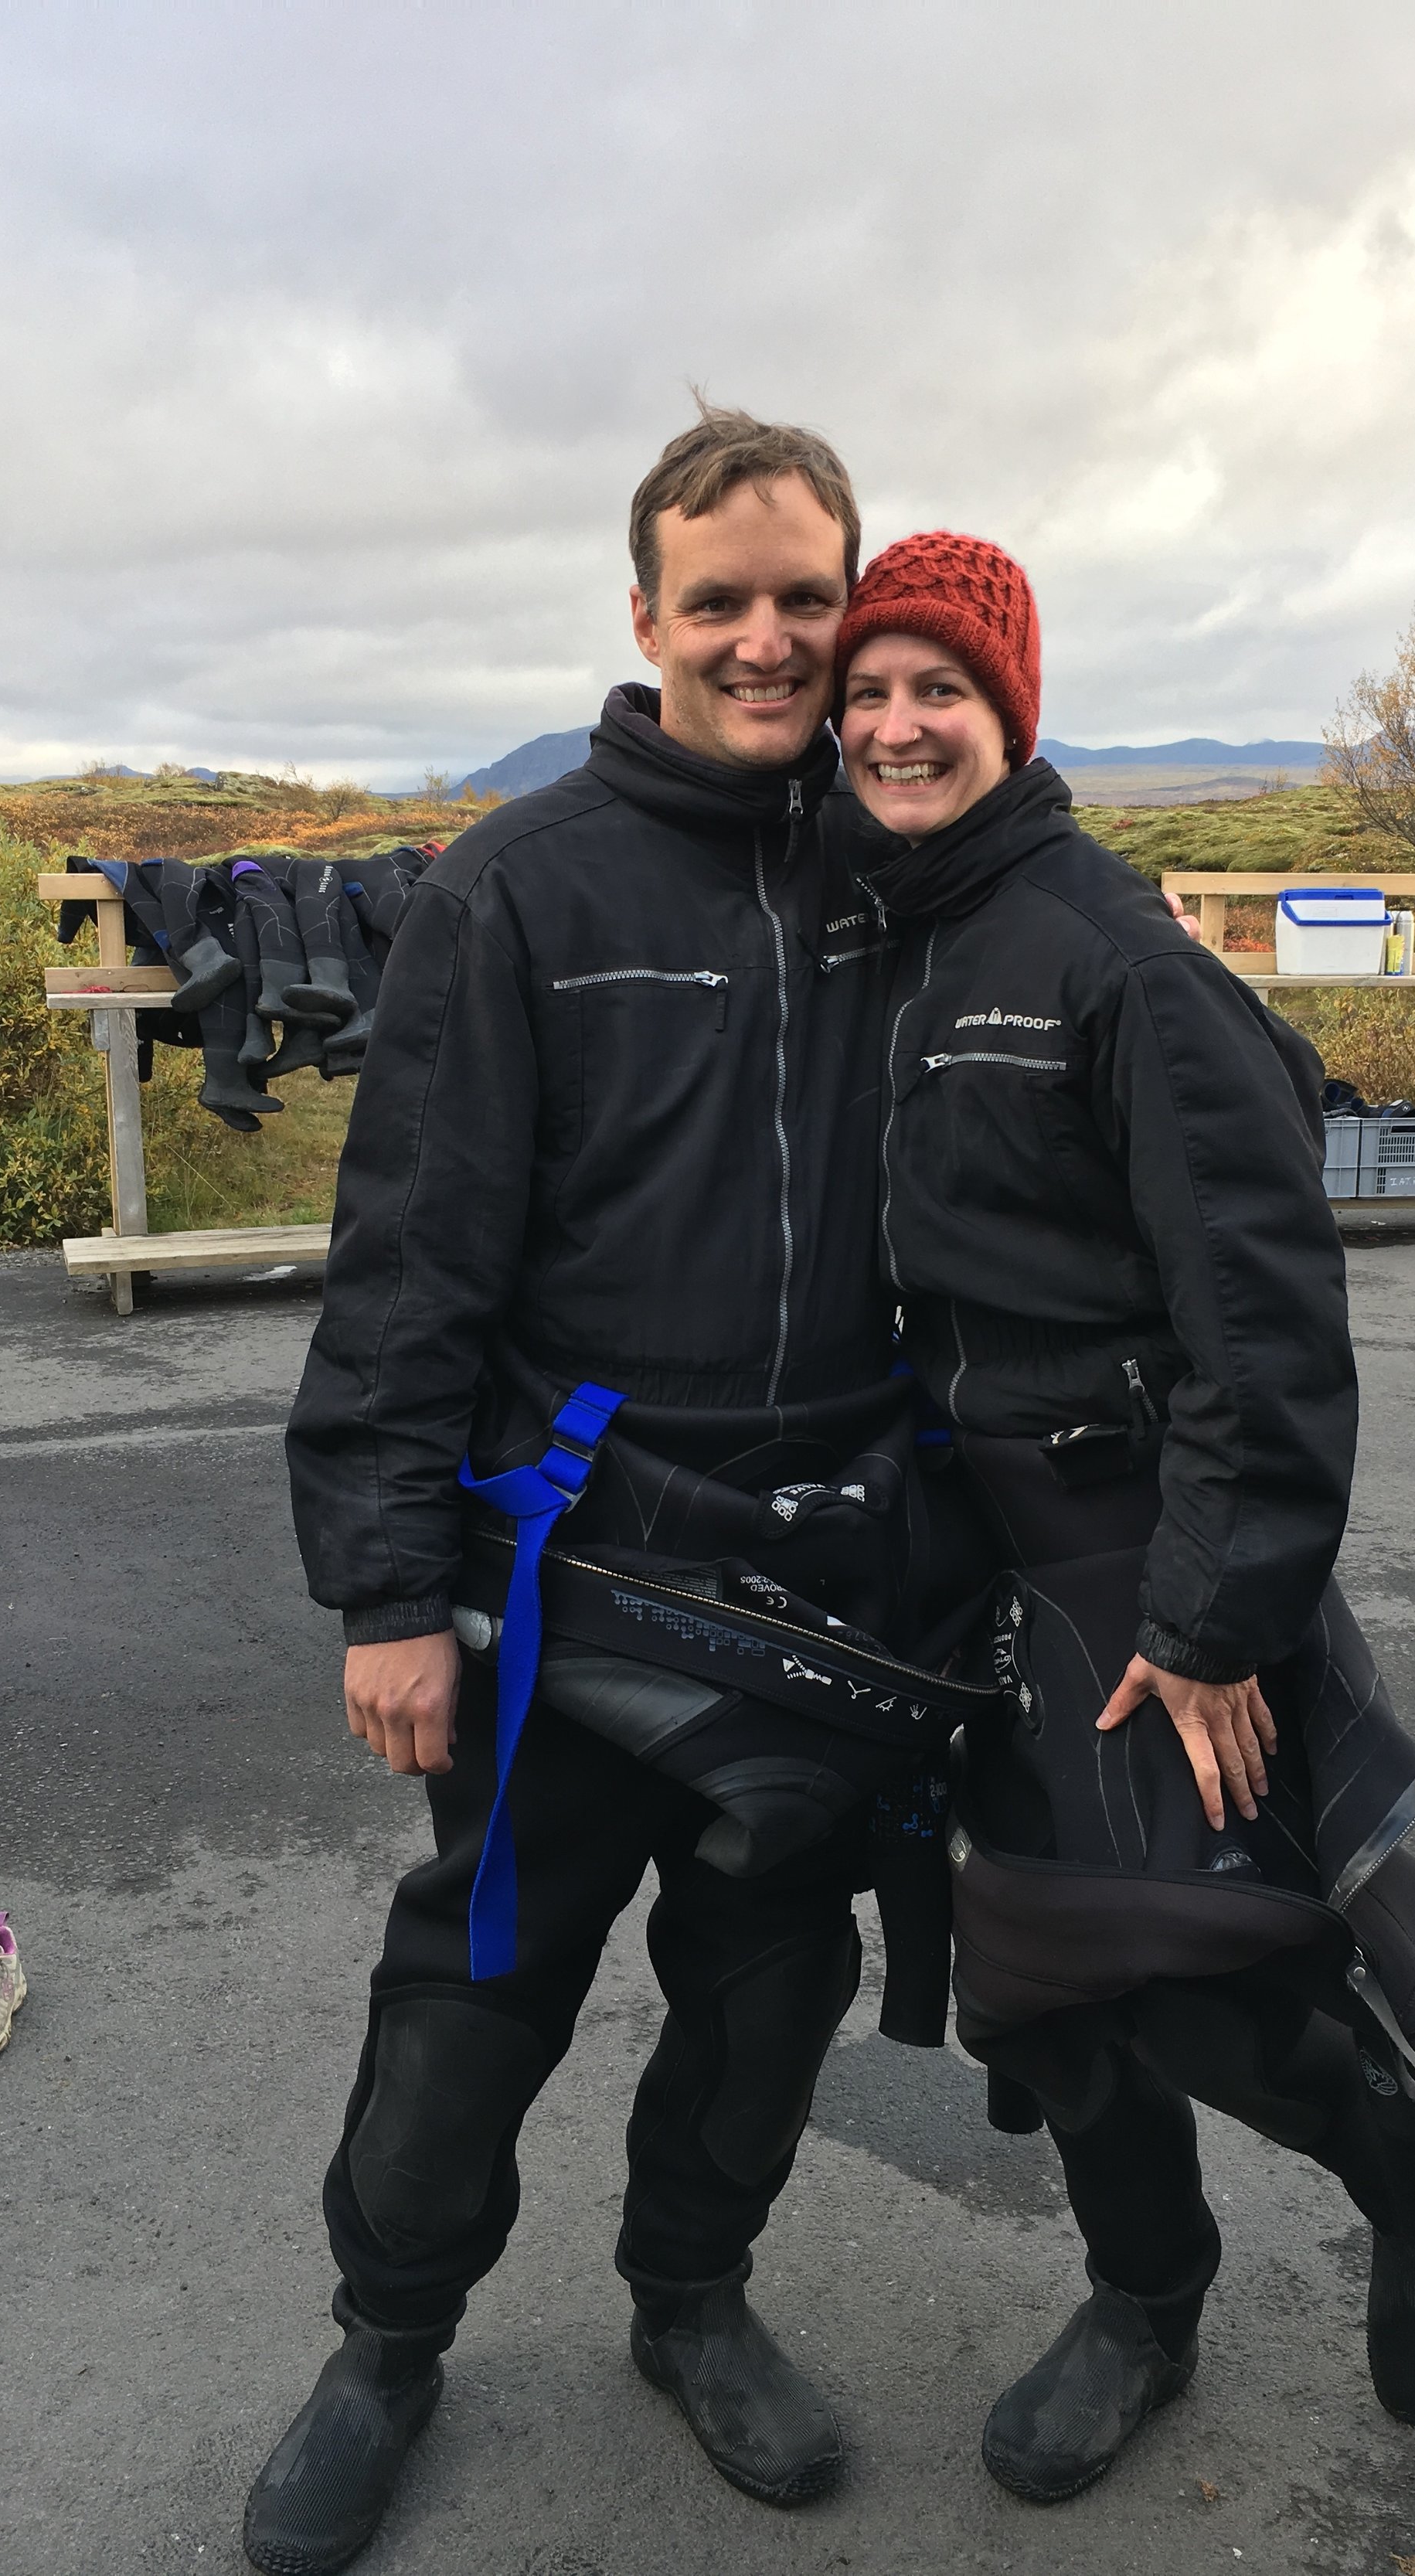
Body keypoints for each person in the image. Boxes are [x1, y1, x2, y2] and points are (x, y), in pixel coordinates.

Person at [247, 410, 1002, 2576]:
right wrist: (388, 1584)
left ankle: (691, 2295)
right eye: (720, 601)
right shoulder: (520, 883)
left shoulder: (908, 872)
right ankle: (386, 2340)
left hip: (844, 1560)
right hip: (567, 1562)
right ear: (644, 615)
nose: (767, 641)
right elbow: (408, 1256)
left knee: (769, 1976)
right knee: (484, 1978)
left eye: (803, 598)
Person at [830, 531, 1415, 2505]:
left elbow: (1267, 1325)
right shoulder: (901, 931)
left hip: (1138, 1546)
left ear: (1008, 708)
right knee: (1025, 1976)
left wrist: (1207, 1616)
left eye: (932, 685)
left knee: (1190, 1957)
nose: (888, 721)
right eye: (866, 690)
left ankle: (1410, 2163)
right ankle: (1145, 2295)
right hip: (960, 1557)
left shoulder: (1113, 959)